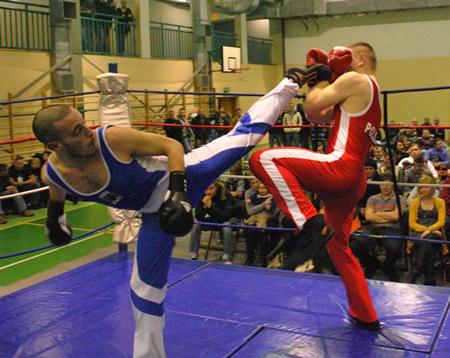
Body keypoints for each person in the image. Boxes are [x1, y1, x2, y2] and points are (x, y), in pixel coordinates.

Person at [32, 72, 301, 357]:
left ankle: (289, 83)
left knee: (244, 136)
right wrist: (55, 220)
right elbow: (56, 196)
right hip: (155, 215)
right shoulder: (52, 175)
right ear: (55, 147)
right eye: (76, 131)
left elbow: (172, 146)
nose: (88, 132)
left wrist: (179, 194)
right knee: (144, 292)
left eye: (83, 124)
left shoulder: (112, 139)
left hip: (185, 174)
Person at [250, 43, 381, 330]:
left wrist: (319, 78)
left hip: (339, 166)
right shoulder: (370, 92)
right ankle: (366, 314)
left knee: (263, 158)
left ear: (360, 58)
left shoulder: (356, 79)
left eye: (350, 53)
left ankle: (308, 221)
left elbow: (310, 105)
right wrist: (321, 79)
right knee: (338, 247)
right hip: (354, 180)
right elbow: (316, 115)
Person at [408, 174, 446, 285]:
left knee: (428, 240)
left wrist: (429, 230)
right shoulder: (415, 202)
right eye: (421, 187)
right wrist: (426, 230)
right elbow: (412, 223)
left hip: (435, 231)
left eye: (426, 187)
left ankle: (416, 270)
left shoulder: (440, 202)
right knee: (428, 243)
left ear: (433, 188)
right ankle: (430, 278)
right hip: (419, 232)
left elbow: (441, 221)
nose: (423, 189)